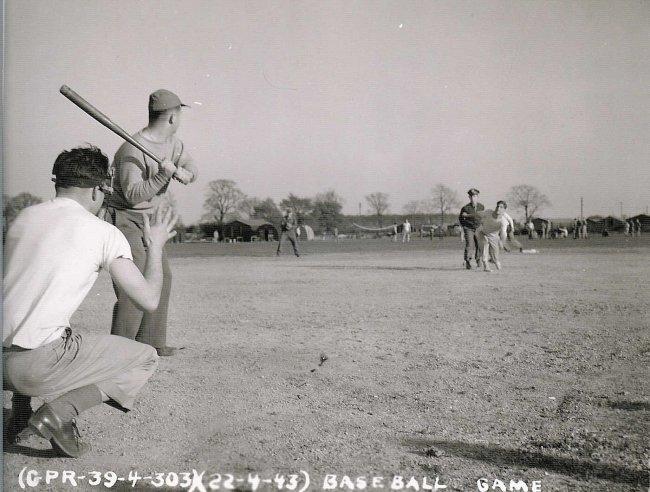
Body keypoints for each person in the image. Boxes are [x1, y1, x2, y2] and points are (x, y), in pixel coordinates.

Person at [3, 146, 176, 457]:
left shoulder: (23, 219)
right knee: (146, 357)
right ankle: (58, 414)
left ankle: (19, 413)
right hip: (32, 367)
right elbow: (149, 300)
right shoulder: (103, 232)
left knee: (29, 313)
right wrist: (155, 247)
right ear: (99, 189)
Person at [105, 89, 198, 357]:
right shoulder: (131, 149)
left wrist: (184, 173)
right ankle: (119, 350)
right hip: (124, 217)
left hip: (149, 217)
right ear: (171, 118)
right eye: (179, 114)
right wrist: (161, 176)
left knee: (162, 277)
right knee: (135, 283)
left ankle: (150, 342)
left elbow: (193, 169)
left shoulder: (174, 144)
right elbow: (133, 195)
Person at [476, 201, 509, 272]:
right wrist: (467, 215)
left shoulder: (503, 221)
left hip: (493, 235)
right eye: (497, 206)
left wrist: (502, 243)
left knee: (495, 254)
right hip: (482, 232)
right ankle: (486, 265)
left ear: (504, 210)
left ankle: (495, 261)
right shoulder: (488, 212)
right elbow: (477, 214)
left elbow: (503, 233)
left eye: (501, 207)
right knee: (485, 242)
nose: (498, 208)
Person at [459, 188, 485, 269]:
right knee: (470, 245)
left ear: (477, 197)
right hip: (469, 228)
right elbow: (461, 218)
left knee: (480, 244)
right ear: (469, 197)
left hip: (478, 228)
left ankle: (478, 260)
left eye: (475, 196)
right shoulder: (465, 208)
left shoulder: (481, 206)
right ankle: (468, 261)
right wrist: (464, 227)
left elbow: (482, 217)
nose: (474, 198)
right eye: (472, 196)